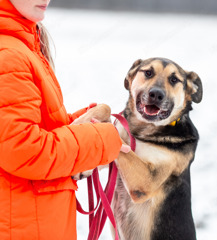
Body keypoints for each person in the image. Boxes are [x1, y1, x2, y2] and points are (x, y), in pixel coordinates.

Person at [0, 0, 129, 239]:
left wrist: (87, 121)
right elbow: (25, 149)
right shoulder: (9, 55)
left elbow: (35, 128)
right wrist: (101, 140)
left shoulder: (23, 45)